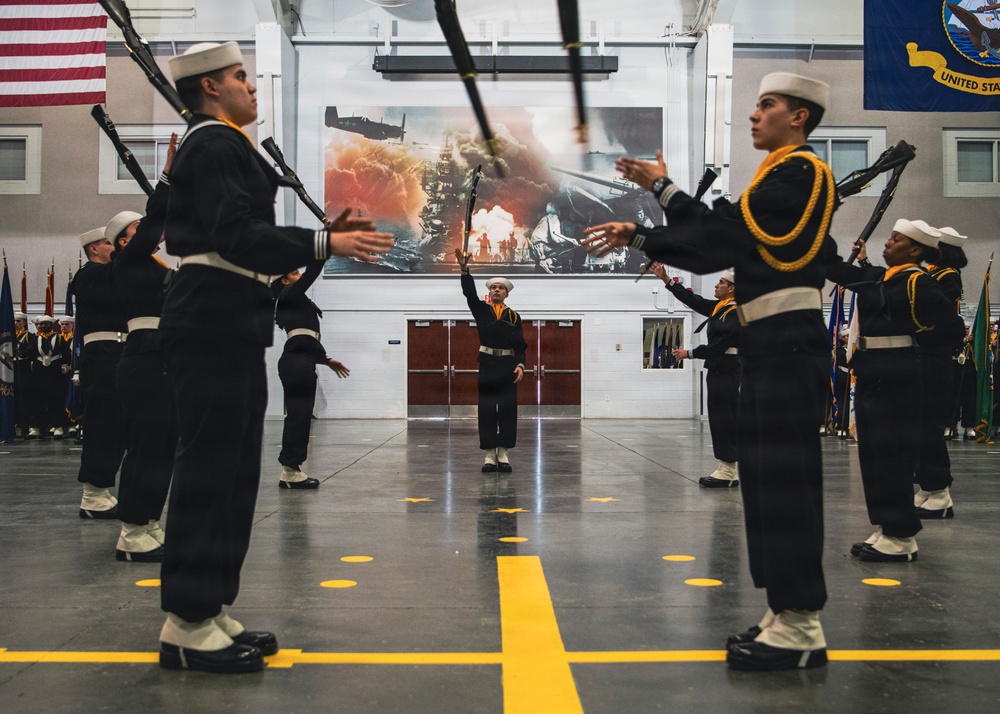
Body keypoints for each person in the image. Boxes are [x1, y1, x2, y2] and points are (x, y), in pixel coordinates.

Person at [582, 73, 838, 671]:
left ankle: (801, 625)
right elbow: (711, 245)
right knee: (767, 483)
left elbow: (721, 239)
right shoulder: (774, 176)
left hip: (786, 345)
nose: (754, 115)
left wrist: (662, 190)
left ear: (798, 117)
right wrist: (644, 232)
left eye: (766, 105)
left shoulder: (802, 172)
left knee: (786, 484)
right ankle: (784, 613)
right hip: (766, 345)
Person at [158, 41, 393, 674]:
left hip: (228, 317)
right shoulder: (213, 144)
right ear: (210, 88)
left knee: (233, 470)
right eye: (240, 77)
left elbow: (242, 236)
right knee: (210, 468)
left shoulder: (221, 144)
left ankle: (209, 608)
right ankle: (186, 620)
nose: (251, 86)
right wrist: (323, 239)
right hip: (211, 314)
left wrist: (320, 241)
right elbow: (238, 235)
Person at [827, 222, 964, 562]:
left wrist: (914, 346)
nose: (887, 243)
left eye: (896, 239)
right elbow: (835, 268)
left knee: (891, 457)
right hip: (874, 372)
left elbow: (952, 326)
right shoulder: (880, 278)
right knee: (873, 457)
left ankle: (901, 536)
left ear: (916, 250)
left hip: (900, 374)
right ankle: (888, 526)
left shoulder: (919, 283)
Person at [108, 139, 177, 563]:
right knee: (146, 445)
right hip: (143, 359)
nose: (151, 234)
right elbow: (156, 223)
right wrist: (166, 178)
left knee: (162, 445)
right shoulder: (129, 262)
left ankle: (149, 521)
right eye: (136, 232)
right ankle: (132, 532)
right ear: (122, 242)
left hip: (162, 359)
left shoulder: (155, 267)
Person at [656, 264, 741, 487]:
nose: (716, 284)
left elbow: (718, 346)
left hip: (727, 372)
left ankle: (729, 471)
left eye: (721, 283)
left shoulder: (736, 313)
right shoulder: (721, 308)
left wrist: (689, 353)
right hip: (719, 371)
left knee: (724, 419)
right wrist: (667, 280)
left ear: (732, 289)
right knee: (719, 418)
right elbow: (695, 301)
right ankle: (727, 468)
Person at [272, 262, 350, 489]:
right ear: (285, 282)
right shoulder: (289, 296)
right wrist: (323, 246)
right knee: (298, 417)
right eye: (294, 273)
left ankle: (291, 469)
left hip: (301, 361)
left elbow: (305, 339)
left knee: (301, 416)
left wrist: (326, 360)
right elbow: (313, 272)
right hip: (297, 364)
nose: (300, 275)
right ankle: (290, 470)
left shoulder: (296, 302)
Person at [454, 247, 526, 473]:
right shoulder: (481, 311)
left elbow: (520, 346)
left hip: (507, 367)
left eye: (501, 288)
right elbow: (469, 295)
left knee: (506, 409)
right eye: (494, 287)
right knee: (486, 409)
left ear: (506, 294)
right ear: (490, 293)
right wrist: (465, 270)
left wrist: (521, 365)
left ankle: (503, 453)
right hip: (486, 365)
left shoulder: (514, 317)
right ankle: (489, 455)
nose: (496, 290)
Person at [73, 226, 127, 518]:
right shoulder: (90, 274)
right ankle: (92, 494)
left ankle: (102, 490)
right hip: (102, 355)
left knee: (119, 425)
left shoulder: (113, 274)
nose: (114, 248)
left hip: (120, 353)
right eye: (109, 243)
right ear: (93, 249)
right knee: (103, 423)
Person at [913, 227, 967, 518]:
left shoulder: (947, 278)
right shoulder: (935, 276)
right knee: (920, 427)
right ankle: (928, 487)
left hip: (934, 360)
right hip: (925, 358)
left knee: (928, 427)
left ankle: (940, 491)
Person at [24, 315, 71, 440]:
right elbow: (30, 353)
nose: (42, 326)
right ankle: (35, 428)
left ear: (51, 325)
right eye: (40, 324)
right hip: (39, 374)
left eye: (45, 324)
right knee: (37, 401)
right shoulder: (35, 339)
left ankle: (58, 427)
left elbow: (66, 354)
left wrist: (65, 365)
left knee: (56, 400)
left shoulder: (59, 338)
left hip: (55, 374)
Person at [13, 312, 31, 439]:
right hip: (11, 370)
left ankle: (25, 426)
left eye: (19, 321)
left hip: (23, 370)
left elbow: (31, 350)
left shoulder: (28, 336)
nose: (16, 323)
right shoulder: (8, 336)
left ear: (24, 323)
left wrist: (21, 352)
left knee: (24, 399)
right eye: (14, 321)